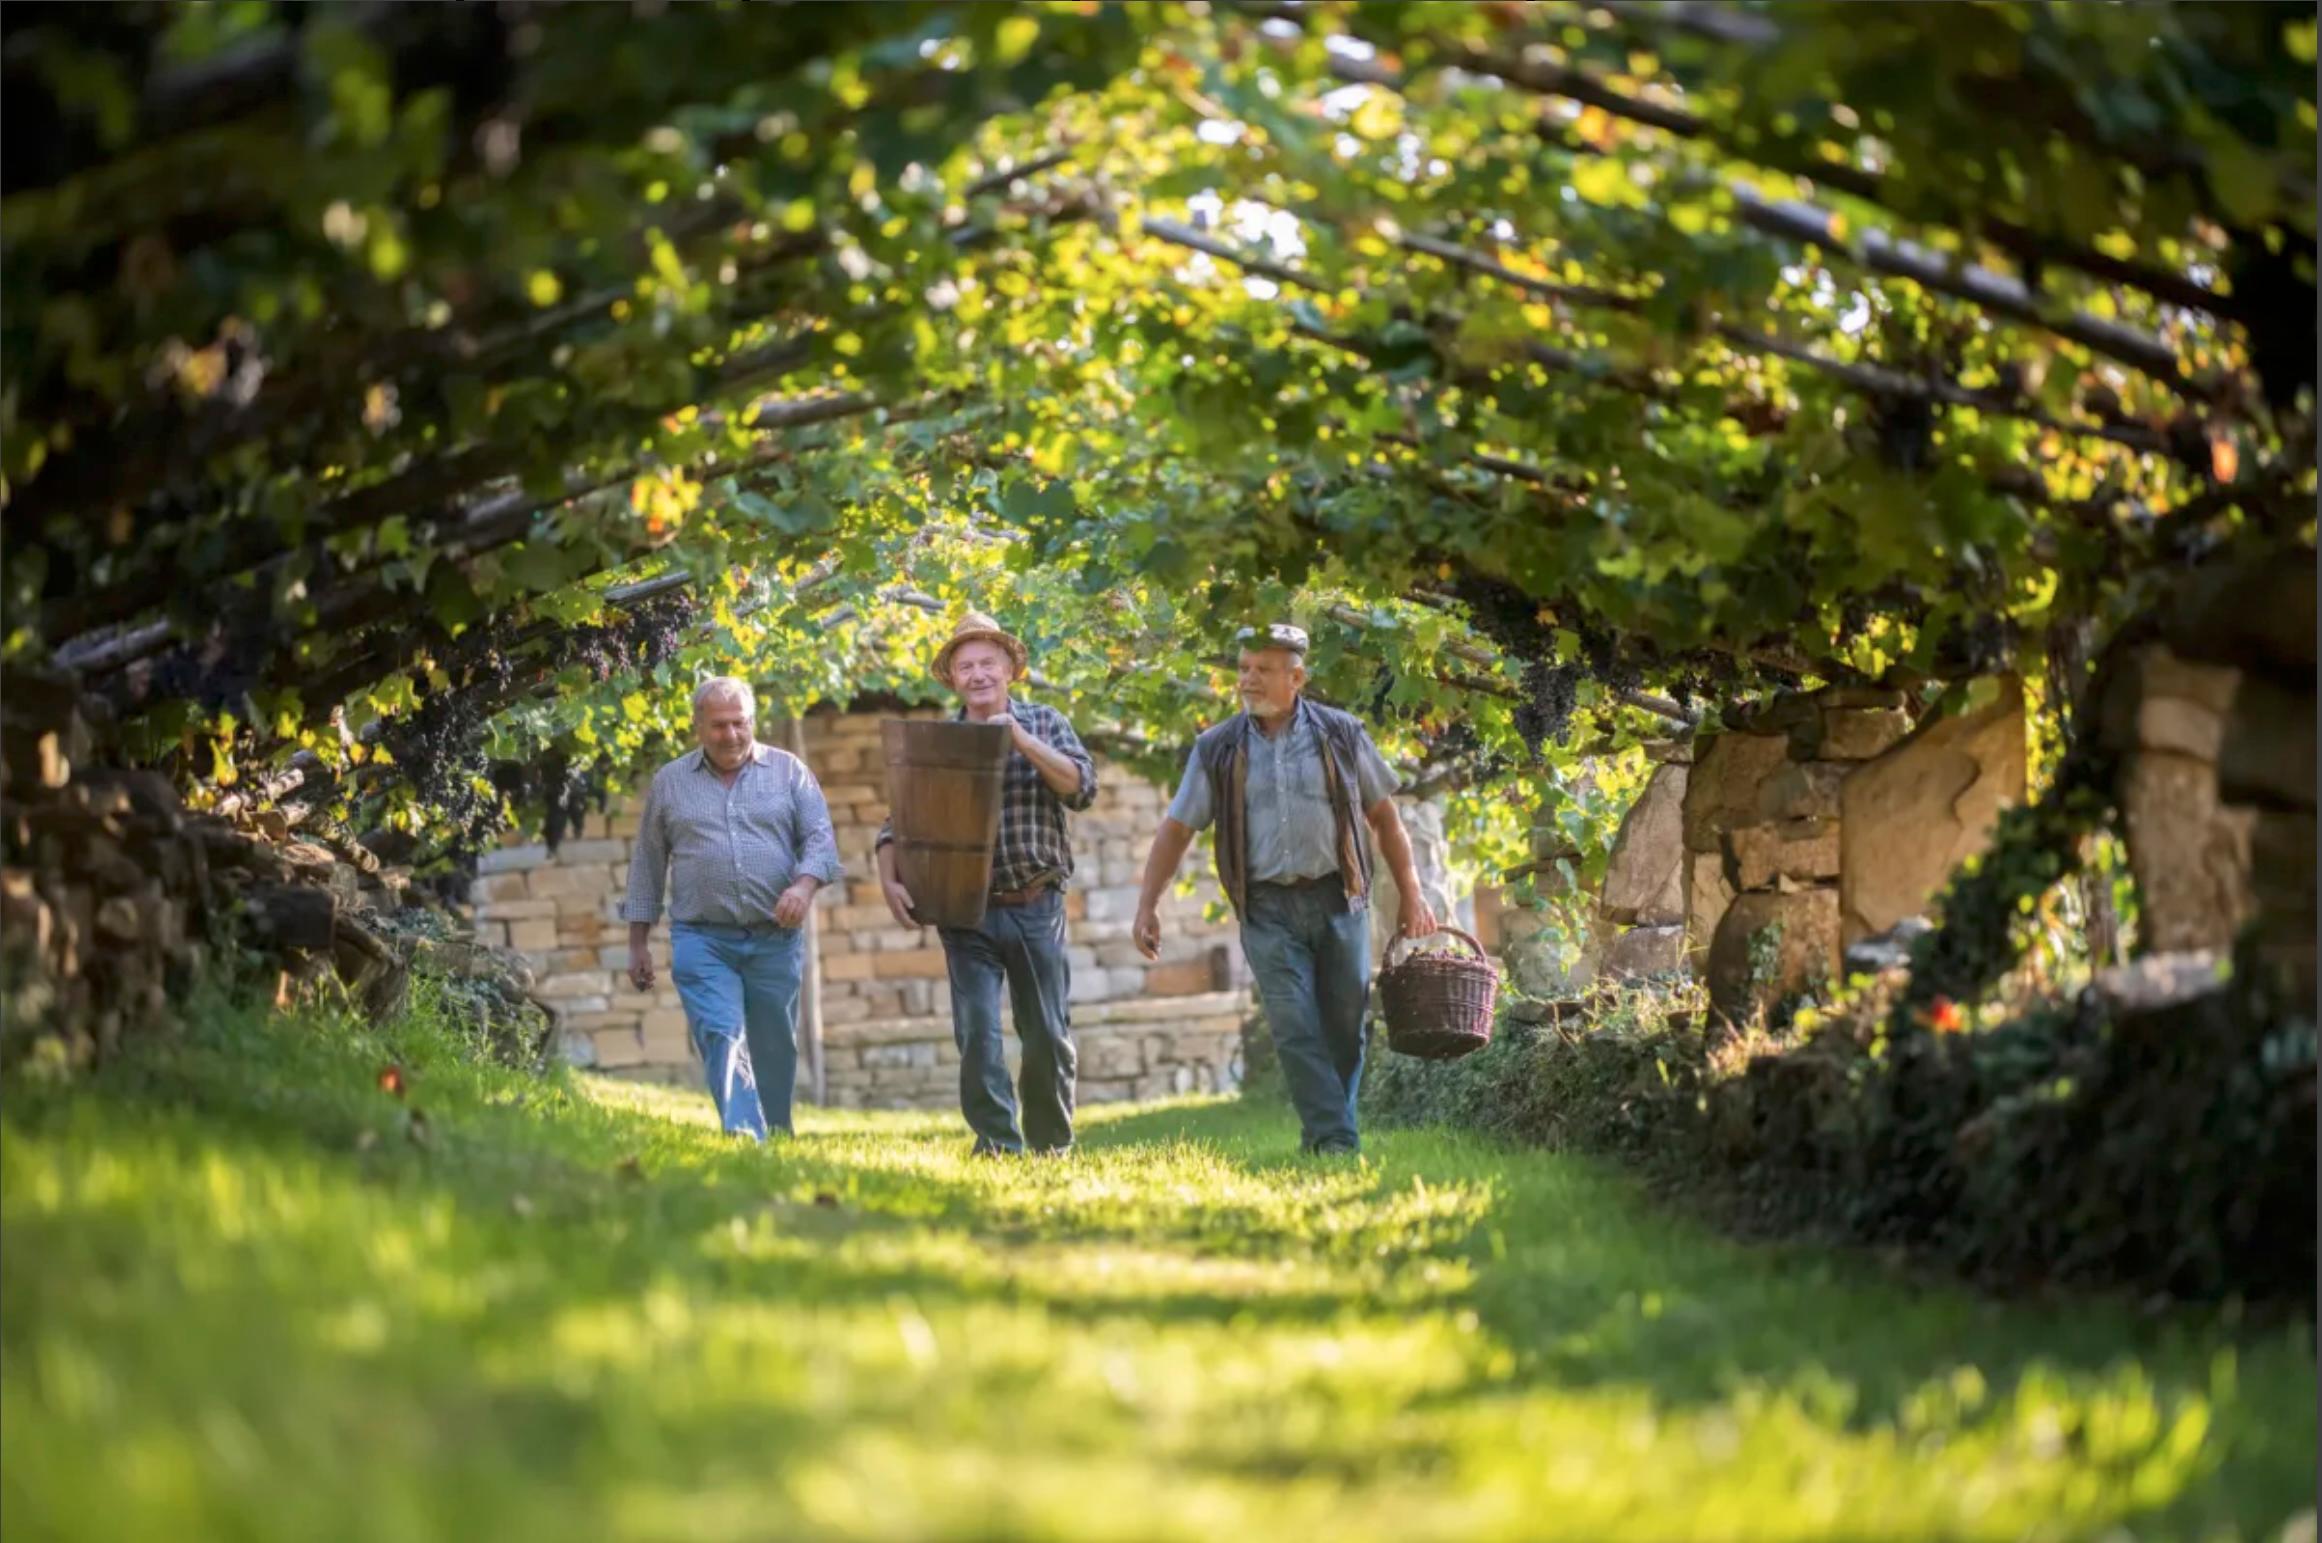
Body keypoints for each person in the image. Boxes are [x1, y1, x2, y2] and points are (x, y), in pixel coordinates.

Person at [1132, 623, 1437, 1155]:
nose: (1247, 680)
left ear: (1296, 677)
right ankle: (1337, 1140)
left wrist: (1411, 893)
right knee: (1294, 1024)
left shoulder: (1342, 734)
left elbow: (1385, 818)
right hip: (1265, 908)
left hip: (1339, 899)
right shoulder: (1217, 747)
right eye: (1243, 668)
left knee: (1347, 1029)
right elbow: (1178, 828)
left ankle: (1321, 1133)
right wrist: (1147, 904)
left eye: (1262, 670)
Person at [875, 612, 1099, 1156]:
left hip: (1036, 901)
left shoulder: (1045, 722)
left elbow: (1081, 788)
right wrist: (888, 880)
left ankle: (1051, 1146)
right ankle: (998, 1144)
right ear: (952, 678)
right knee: (978, 1034)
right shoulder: (940, 741)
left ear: (1009, 671)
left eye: (987, 664)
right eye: (966, 666)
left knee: (1046, 1033)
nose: (977, 675)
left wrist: (1019, 739)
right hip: (963, 910)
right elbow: (897, 824)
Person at [623, 676, 841, 1140]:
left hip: (775, 937)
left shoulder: (789, 772)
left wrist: (803, 888)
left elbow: (820, 839)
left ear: (752, 722)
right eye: (719, 725)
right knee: (721, 1033)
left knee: (773, 1044)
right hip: (702, 937)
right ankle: (745, 1136)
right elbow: (647, 863)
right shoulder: (671, 783)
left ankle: (777, 1132)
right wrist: (638, 943)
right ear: (698, 726)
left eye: (740, 723)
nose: (731, 735)